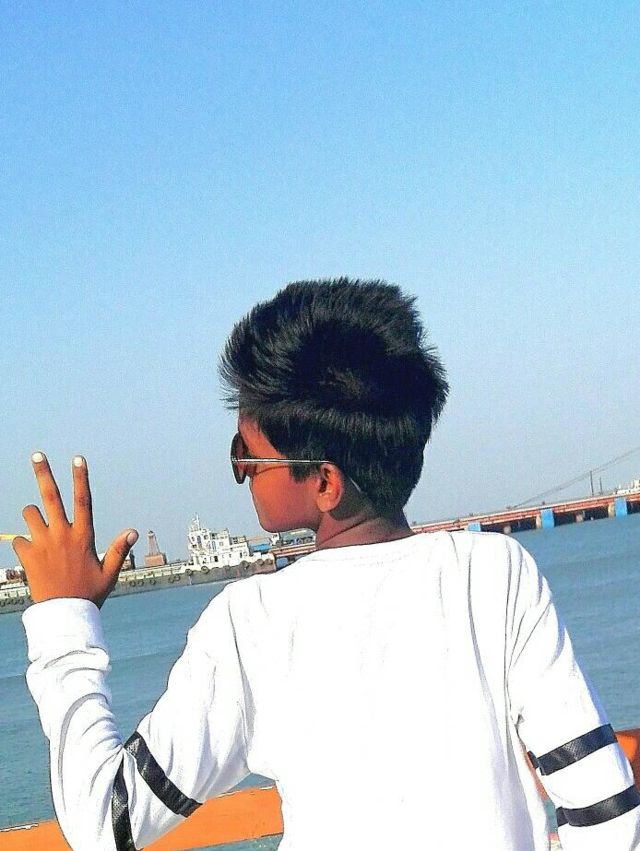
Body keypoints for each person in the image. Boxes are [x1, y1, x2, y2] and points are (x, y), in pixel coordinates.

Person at [15, 278, 640, 850]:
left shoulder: (252, 623)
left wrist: (65, 616)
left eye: (245, 455)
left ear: (324, 483)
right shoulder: (496, 574)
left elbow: (105, 821)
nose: (241, 472)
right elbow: (606, 813)